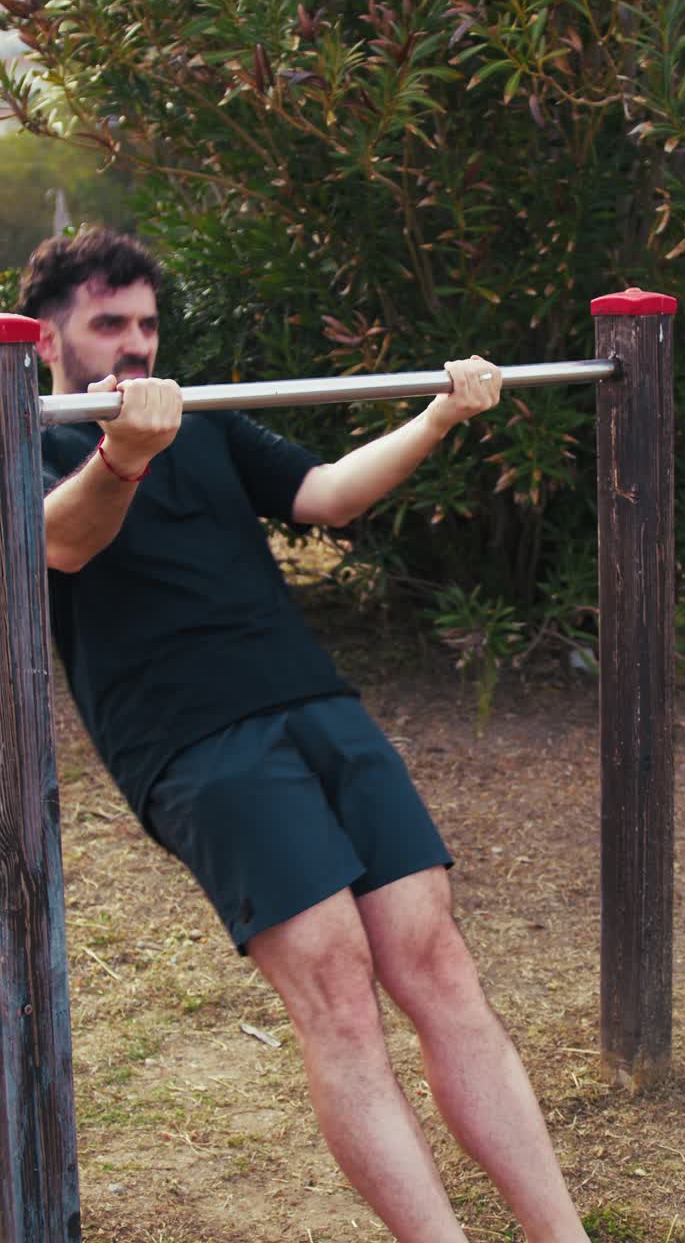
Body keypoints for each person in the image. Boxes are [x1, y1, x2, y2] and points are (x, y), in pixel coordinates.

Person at [21, 226, 589, 1243]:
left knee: (438, 964)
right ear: (51, 340)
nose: (138, 343)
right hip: (195, 743)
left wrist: (440, 413)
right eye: (110, 324)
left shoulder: (202, 418)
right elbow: (63, 543)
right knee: (338, 994)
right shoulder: (35, 442)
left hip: (316, 701)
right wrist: (124, 454)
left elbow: (328, 494)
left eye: (147, 322)